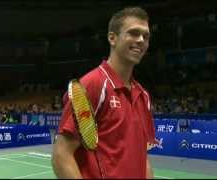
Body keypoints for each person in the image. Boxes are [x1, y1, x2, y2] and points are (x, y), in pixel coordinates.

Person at [52, 7, 157, 179]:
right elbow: (61, 155)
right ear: (112, 38)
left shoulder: (143, 96)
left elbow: (142, 157)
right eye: (134, 33)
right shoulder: (92, 85)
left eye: (146, 36)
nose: (141, 40)